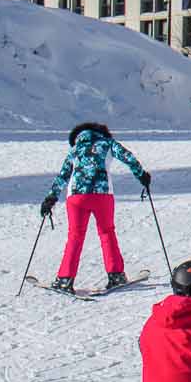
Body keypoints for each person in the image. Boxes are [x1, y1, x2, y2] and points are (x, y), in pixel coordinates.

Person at [40, 122, 151, 294]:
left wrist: (51, 198)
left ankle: (64, 279)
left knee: (75, 236)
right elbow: (128, 158)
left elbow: (63, 175)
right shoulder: (107, 143)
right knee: (107, 232)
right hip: (102, 195)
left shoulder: (76, 149)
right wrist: (142, 176)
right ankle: (116, 275)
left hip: (77, 197)